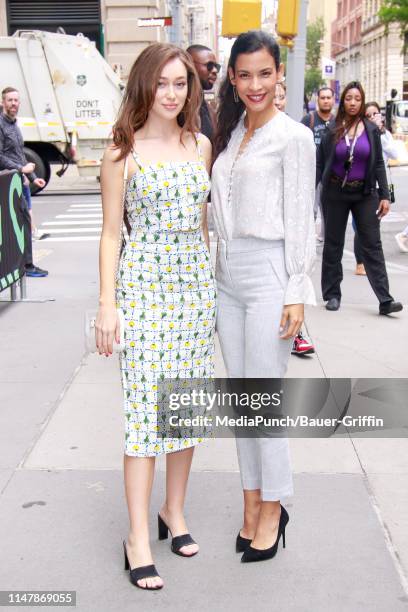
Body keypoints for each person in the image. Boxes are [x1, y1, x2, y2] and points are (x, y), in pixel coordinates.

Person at [96, 43, 215, 590]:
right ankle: (137, 537)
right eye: (163, 83)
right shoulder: (122, 153)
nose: (173, 93)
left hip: (193, 288)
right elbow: (111, 234)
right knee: (146, 415)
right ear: (145, 85)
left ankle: (175, 512)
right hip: (143, 288)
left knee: (184, 408)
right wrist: (106, 305)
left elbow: (204, 224)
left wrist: (209, 285)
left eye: (181, 83)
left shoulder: (201, 145)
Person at [212, 30, 316, 563]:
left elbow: (303, 219)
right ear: (232, 78)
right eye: (244, 74)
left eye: (265, 73)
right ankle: (251, 500)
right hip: (226, 277)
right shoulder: (230, 136)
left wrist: (295, 292)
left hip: (271, 275)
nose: (255, 84)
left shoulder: (293, 137)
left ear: (279, 76)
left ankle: (273, 508)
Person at [317, 81, 403, 315]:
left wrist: (384, 195)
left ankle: (385, 299)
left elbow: (377, 164)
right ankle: (332, 294)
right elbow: (320, 162)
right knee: (333, 244)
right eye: (348, 98)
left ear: (362, 101)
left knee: (372, 244)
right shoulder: (333, 129)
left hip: (364, 193)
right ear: (342, 101)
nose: (353, 102)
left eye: (357, 98)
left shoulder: (371, 129)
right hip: (335, 192)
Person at [273, 81, 316, 357]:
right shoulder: (239, 131)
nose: (276, 100)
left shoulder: (295, 134)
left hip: (287, 235)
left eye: (280, 96)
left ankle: (299, 333)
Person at [0, 87, 47, 277]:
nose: (13, 104)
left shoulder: (14, 125)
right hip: (9, 182)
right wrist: (20, 170)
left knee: (25, 223)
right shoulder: (1, 125)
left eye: (16, 100)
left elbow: (19, 155)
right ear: (2, 102)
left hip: (21, 181)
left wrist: (35, 178)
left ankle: (26, 265)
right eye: (10, 100)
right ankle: (24, 266)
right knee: (16, 225)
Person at [353, 101, 399, 274]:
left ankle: (370, 261)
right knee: (360, 225)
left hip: (381, 187)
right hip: (364, 185)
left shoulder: (384, 134)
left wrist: (382, 134)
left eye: (375, 114)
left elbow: (394, 154)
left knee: (373, 225)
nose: (373, 117)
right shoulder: (361, 133)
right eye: (369, 115)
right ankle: (360, 262)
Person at [301, 87, 335, 242]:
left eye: (329, 97)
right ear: (317, 100)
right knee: (310, 209)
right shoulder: (309, 119)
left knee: (330, 210)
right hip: (311, 171)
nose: (326, 100)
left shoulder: (337, 121)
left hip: (332, 173)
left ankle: (329, 240)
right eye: (323, 97)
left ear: (333, 100)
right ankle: (305, 241)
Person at [186, 44, 220, 141]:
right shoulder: (177, 107)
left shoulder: (208, 109)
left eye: (216, 66)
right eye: (209, 65)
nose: (214, 70)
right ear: (190, 65)